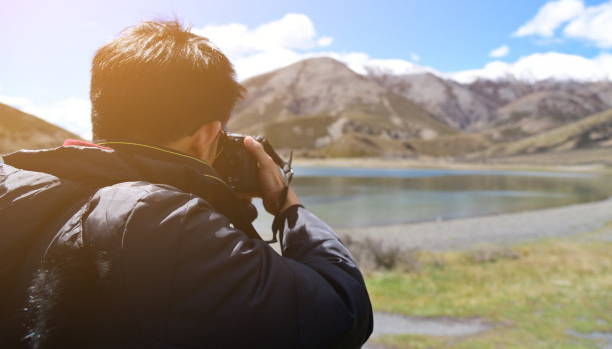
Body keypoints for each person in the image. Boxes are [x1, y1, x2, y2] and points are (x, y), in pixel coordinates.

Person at [0, 20, 373, 348]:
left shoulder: (17, 183)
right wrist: (287, 206)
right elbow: (341, 313)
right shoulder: (160, 220)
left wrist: (219, 203)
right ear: (207, 134)